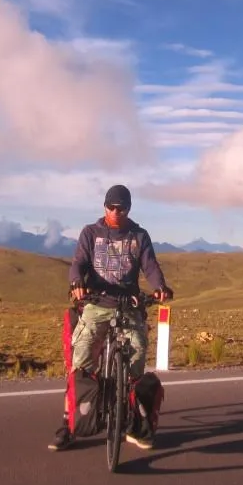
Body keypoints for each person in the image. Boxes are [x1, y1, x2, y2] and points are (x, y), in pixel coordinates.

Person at [48, 184, 173, 452]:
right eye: (112, 207)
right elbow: (78, 263)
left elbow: (150, 266)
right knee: (80, 360)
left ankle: (133, 420)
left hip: (129, 305)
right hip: (96, 303)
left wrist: (159, 287)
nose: (116, 212)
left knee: (137, 355)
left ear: (129, 209)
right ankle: (69, 423)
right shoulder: (90, 233)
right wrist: (76, 283)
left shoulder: (139, 235)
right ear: (104, 207)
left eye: (122, 208)